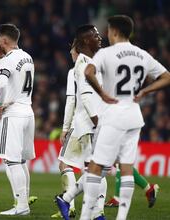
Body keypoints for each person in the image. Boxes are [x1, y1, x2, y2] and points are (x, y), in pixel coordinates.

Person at [80, 15, 170, 220]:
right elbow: (167, 77)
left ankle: (85, 216)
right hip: (134, 116)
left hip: (114, 115)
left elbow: (88, 72)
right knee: (126, 167)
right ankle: (121, 217)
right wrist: (146, 91)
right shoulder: (142, 54)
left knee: (96, 165)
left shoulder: (106, 53)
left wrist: (102, 93)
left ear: (114, 31)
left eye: (108, 30)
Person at [55, 25, 106, 220]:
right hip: (89, 126)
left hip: (87, 125)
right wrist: (98, 122)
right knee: (98, 169)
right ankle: (92, 212)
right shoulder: (84, 65)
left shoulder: (91, 63)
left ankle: (71, 201)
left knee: (96, 169)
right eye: (95, 35)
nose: (99, 37)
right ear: (86, 41)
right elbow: (84, 98)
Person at [0, 23, 35, 216]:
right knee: (20, 161)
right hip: (28, 111)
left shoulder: (7, 60)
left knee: (11, 161)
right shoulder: (27, 57)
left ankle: (21, 206)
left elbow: (2, 84)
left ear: (3, 40)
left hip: (13, 113)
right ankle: (24, 201)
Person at [51, 45, 78, 219]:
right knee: (94, 168)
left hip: (79, 124)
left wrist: (65, 128)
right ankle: (98, 211)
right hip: (99, 124)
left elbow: (71, 101)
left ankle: (69, 204)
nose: (70, 52)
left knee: (64, 164)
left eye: (73, 49)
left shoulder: (74, 71)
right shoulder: (100, 67)